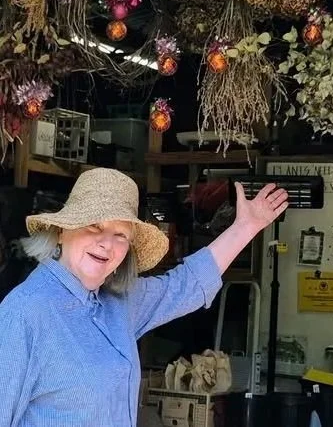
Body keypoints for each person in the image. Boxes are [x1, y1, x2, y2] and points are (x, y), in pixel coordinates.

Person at [0, 167, 288, 427]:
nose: (106, 244)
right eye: (94, 226)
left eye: (121, 235)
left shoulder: (119, 302)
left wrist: (246, 227)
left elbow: (185, 285)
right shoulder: (24, 314)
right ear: (62, 231)